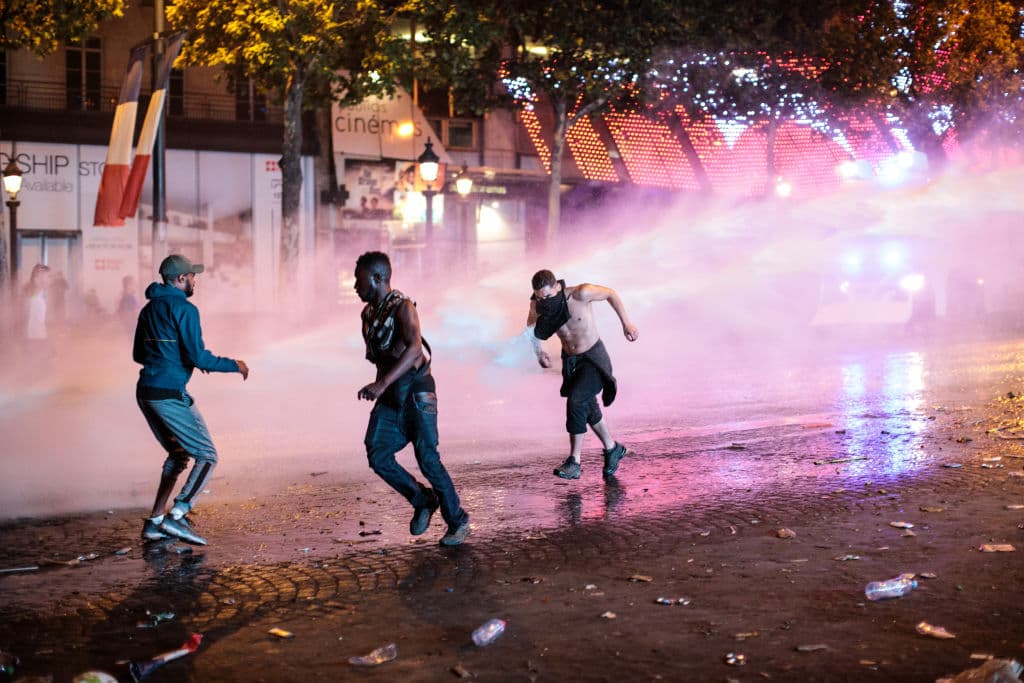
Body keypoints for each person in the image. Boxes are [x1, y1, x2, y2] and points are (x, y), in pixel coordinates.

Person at [354, 251, 471, 546]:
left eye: (359, 280)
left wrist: (381, 384)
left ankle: (458, 521)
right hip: (391, 393)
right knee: (378, 453)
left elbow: (415, 349)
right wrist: (380, 385)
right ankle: (423, 501)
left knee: (427, 459)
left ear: (377, 278)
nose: (355, 286)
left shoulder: (403, 307)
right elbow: (381, 357)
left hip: (417, 391)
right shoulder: (368, 315)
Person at [134, 254, 249, 546]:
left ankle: (155, 522)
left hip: (147, 392)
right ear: (181, 279)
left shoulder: (148, 310)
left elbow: (138, 354)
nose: (195, 281)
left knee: (177, 455)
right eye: (193, 277)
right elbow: (199, 357)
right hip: (169, 394)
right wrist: (235, 365)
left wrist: (168, 359)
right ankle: (178, 514)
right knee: (207, 455)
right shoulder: (185, 309)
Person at [526, 269, 639, 480]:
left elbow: (611, 294)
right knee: (587, 407)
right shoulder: (538, 304)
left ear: (557, 287)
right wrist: (539, 352)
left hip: (593, 358)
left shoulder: (581, 293)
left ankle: (574, 462)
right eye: (541, 298)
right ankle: (612, 448)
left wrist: (626, 323)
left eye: (548, 296)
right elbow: (531, 328)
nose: (545, 302)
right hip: (571, 361)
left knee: (576, 401)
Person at [22, 263, 52, 360]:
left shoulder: (39, 296)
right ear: (38, 279)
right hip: (35, 340)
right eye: (48, 276)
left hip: (38, 339)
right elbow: (34, 324)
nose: (50, 280)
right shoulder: (34, 299)